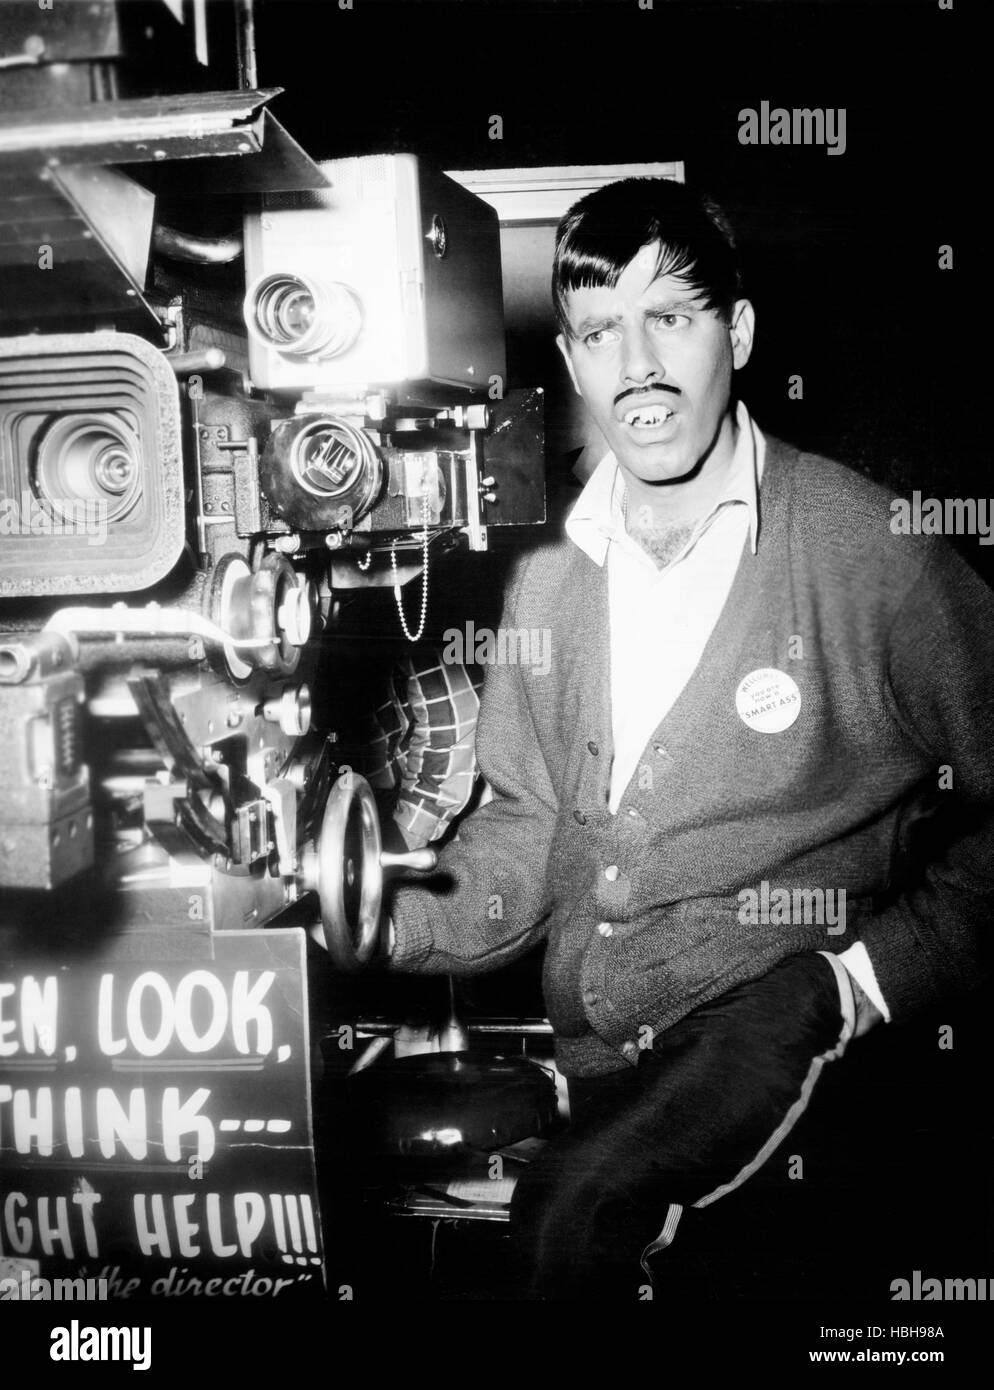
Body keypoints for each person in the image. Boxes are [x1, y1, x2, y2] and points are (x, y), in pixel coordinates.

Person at [383, 178, 994, 1298]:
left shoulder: (875, 556)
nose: (639, 366)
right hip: (605, 1068)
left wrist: (855, 981)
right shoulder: (548, 587)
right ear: (569, 363)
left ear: (740, 332)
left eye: (671, 317)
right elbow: (523, 839)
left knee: (566, 1228)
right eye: (602, 332)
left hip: (792, 1050)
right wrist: (378, 912)